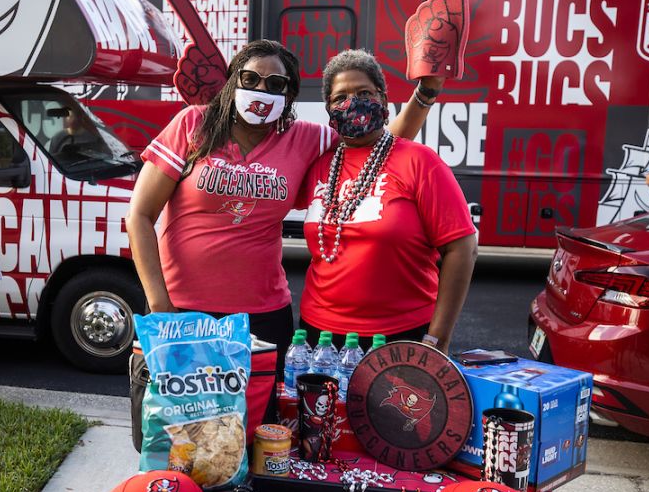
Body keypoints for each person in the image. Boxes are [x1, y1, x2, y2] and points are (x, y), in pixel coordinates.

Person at [126, 40, 443, 372]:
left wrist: (425, 93)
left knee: (261, 420)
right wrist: (160, 306)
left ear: (289, 96)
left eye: (275, 84)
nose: (261, 90)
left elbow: (379, 143)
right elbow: (140, 216)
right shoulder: (194, 125)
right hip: (183, 310)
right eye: (250, 79)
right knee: (182, 420)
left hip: (263, 316)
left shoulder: (306, 139)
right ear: (234, 80)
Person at [297, 49, 477, 353]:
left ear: (382, 98)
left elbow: (462, 248)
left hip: (399, 336)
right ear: (328, 109)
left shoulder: (419, 162)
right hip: (318, 336)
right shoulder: (318, 162)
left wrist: (438, 338)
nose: (353, 103)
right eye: (341, 97)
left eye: (364, 92)